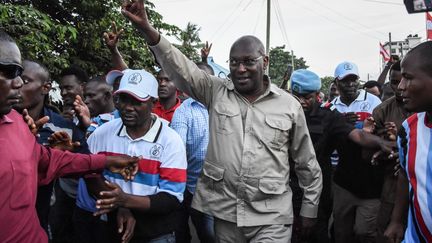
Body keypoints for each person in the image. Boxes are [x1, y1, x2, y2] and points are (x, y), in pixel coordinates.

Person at [120, 1, 323, 241]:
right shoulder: (215, 91)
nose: (240, 68)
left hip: (272, 217)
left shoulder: (289, 106)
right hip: (226, 215)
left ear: (265, 62)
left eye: (248, 61)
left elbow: (306, 162)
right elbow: (182, 68)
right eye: (234, 62)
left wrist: (310, 209)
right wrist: (147, 29)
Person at [0, 29, 138, 243]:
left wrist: (105, 162)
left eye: (21, 75)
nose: (17, 84)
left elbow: (49, 160)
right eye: (9, 72)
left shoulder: (18, 123)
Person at [289, 69, 394, 243]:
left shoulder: (330, 117)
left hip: (316, 191)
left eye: (307, 97)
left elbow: (358, 136)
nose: (301, 102)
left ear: (317, 95)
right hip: (285, 189)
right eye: (296, 96)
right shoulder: (282, 113)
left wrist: (380, 142)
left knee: (317, 234)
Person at [89, 69, 187, 242]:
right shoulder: (102, 133)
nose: (128, 107)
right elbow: (90, 174)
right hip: (112, 229)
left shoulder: (171, 140)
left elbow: (171, 198)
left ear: (153, 103)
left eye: (137, 101)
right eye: (124, 99)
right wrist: (119, 206)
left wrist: (124, 201)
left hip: (156, 233)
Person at [11, 60, 91, 237]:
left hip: (42, 224)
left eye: (24, 81)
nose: (16, 84)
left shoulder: (66, 129)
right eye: (14, 77)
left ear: (45, 88)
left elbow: (88, 172)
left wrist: (62, 159)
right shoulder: (4, 121)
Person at [384, 41, 432, 243]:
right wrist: (396, 220)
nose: (401, 87)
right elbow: (405, 172)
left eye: (408, 78)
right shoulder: (408, 128)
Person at [330, 61, 383, 242]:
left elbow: (382, 133)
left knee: (364, 231)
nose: (350, 84)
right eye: (345, 81)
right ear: (336, 83)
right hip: (342, 176)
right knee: (342, 231)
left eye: (354, 80)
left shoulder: (374, 101)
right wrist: (340, 124)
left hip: (370, 176)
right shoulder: (331, 108)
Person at [171, 63, 215, 243]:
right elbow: (177, 151)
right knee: (207, 234)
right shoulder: (184, 111)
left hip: (227, 187)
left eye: (205, 80)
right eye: (196, 79)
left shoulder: (228, 106)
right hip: (194, 187)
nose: (200, 83)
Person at [370, 61, 411, 242]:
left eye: (405, 80)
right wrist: (384, 151)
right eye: (394, 82)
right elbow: (371, 151)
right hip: (392, 187)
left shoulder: (424, 108)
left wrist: (404, 152)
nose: (400, 87)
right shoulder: (381, 111)